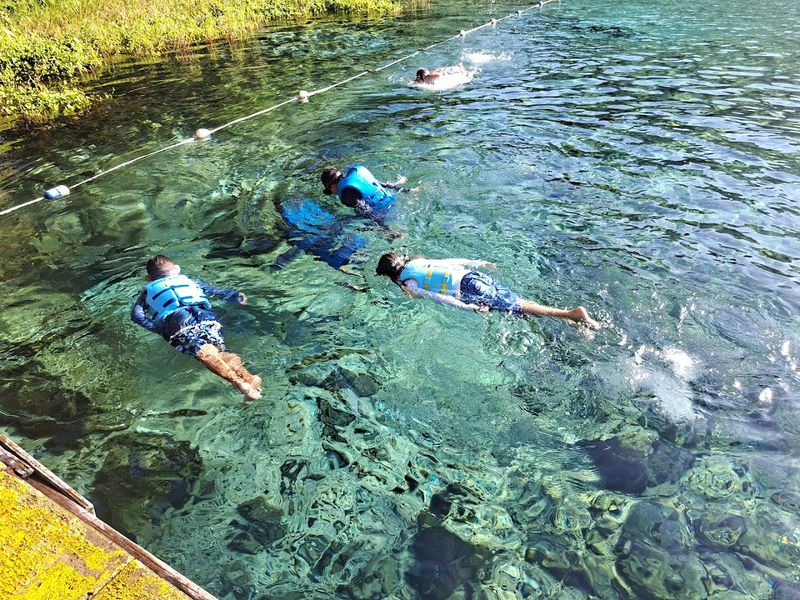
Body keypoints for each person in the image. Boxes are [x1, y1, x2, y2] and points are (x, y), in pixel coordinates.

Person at [131, 255, 263, 400]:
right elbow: (215, 291)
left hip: (177, 320)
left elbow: (137, 316)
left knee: (202, 352)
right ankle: (248, 377)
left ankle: (240, 384)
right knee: (217, 350)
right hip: (204, 315)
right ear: (177, 269)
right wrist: (235, 296)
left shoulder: (146, 292)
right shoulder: (189, 280)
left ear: (148, 278)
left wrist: (160, 329)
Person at [375, 253, 599, 327]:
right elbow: (451, 262)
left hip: (467, 289)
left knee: (518, 306)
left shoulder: (408, 283)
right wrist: (478, 263)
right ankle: (568, 319)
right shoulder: (417, 262)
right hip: (472, 276)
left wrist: (468, 307)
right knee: (515, 304)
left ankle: (572, 314)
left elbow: (439, 297)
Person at [321, 164, 413, 225]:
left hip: (385, 212)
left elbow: (366, 210)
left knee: (343, 220)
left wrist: (386, 231)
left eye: (331, 192)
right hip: (392, 199)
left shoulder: (346, 195)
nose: (333, 194)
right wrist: (407, 191)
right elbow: (386, 185)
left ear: (332, 186)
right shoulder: (357, 175)